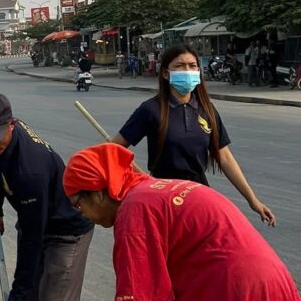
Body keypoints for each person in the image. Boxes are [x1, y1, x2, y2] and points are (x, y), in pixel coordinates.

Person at [62, 143, 300, 301]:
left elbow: (136, 300)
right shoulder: (159, 190)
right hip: (275, 284)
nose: (82, 214)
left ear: (97, 194)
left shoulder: (134, 210)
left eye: (78, 204)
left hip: (238, 293)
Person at [111, 44, 275, 225]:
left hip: (198, 196)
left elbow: (225, 157)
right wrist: (144, 180)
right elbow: (114, 149)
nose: (187, 70)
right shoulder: (151, 109)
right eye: (180, 66)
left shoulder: (207, 110)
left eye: (192, 65)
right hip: (162, 200)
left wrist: (253, 200)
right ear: (166, 73)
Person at [0, 93, 94, 301]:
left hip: (66, 232)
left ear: (11, 124)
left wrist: (15, 299)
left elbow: (32, 239)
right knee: (34, 298)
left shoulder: (30, 169)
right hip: (35, 219)